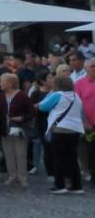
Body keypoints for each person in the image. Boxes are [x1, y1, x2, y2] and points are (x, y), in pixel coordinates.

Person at [38, 75, 85, 194]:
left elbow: (42, 106)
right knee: (72, 158)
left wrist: (50, 94)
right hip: (75, 130)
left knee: (58, 158)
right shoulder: (76, 96)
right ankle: (76, 185)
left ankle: (60, 185)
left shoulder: (57, 95)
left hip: (60, 129)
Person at [0, 72, 32, 188]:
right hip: (5, 129)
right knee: (8, 153)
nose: (0, 84)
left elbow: (31, 112)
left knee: (20, 154)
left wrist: (22, 118)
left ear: (10, 84)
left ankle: (22, 177)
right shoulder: (0, 96)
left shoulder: (22, 96)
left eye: (2, 81)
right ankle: (12, 175)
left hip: (19, 129)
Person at [73, 57, 95, 186]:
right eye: (93, 66)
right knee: (92, 152)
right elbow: (77, 105)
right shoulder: (79, 84)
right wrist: (85, 122)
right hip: (90, 124)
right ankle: (93, 176)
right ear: (86, 68)